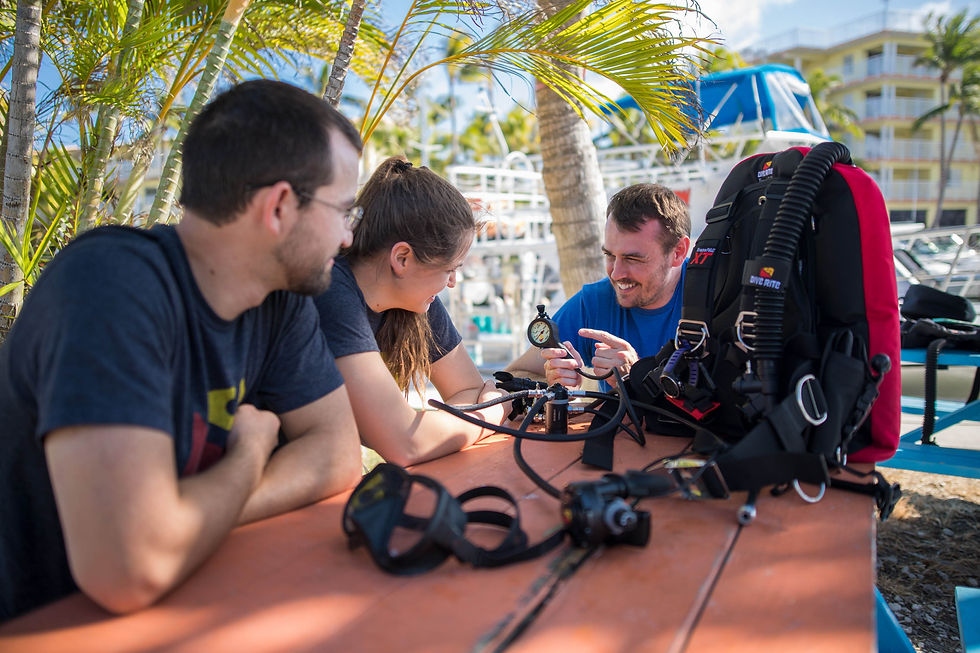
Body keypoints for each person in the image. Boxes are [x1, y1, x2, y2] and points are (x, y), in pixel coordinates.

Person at [0, 80, 364, 622]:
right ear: (280, 207)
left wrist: (193, 516)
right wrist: (250, 454)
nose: (347, 239)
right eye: (343, 211)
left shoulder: (278, 301)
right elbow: (131, 568)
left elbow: (337, 454)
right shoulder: (109, 288)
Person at [314, 157, 509, 467]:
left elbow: (467, 388)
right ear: (402, 258)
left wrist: (441, 428)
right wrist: (490, 414)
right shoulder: (332, 293)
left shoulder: (414, 299)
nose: (453, 283)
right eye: (449, 269)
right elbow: (405, 443)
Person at [506, 183, 691, 390]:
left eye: (633, 258)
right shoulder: (595, 301)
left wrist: (636, 377)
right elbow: (514, 376)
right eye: (610, 255)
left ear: (678, 252)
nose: (616, 273)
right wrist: (553, 383)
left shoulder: (717, 298)